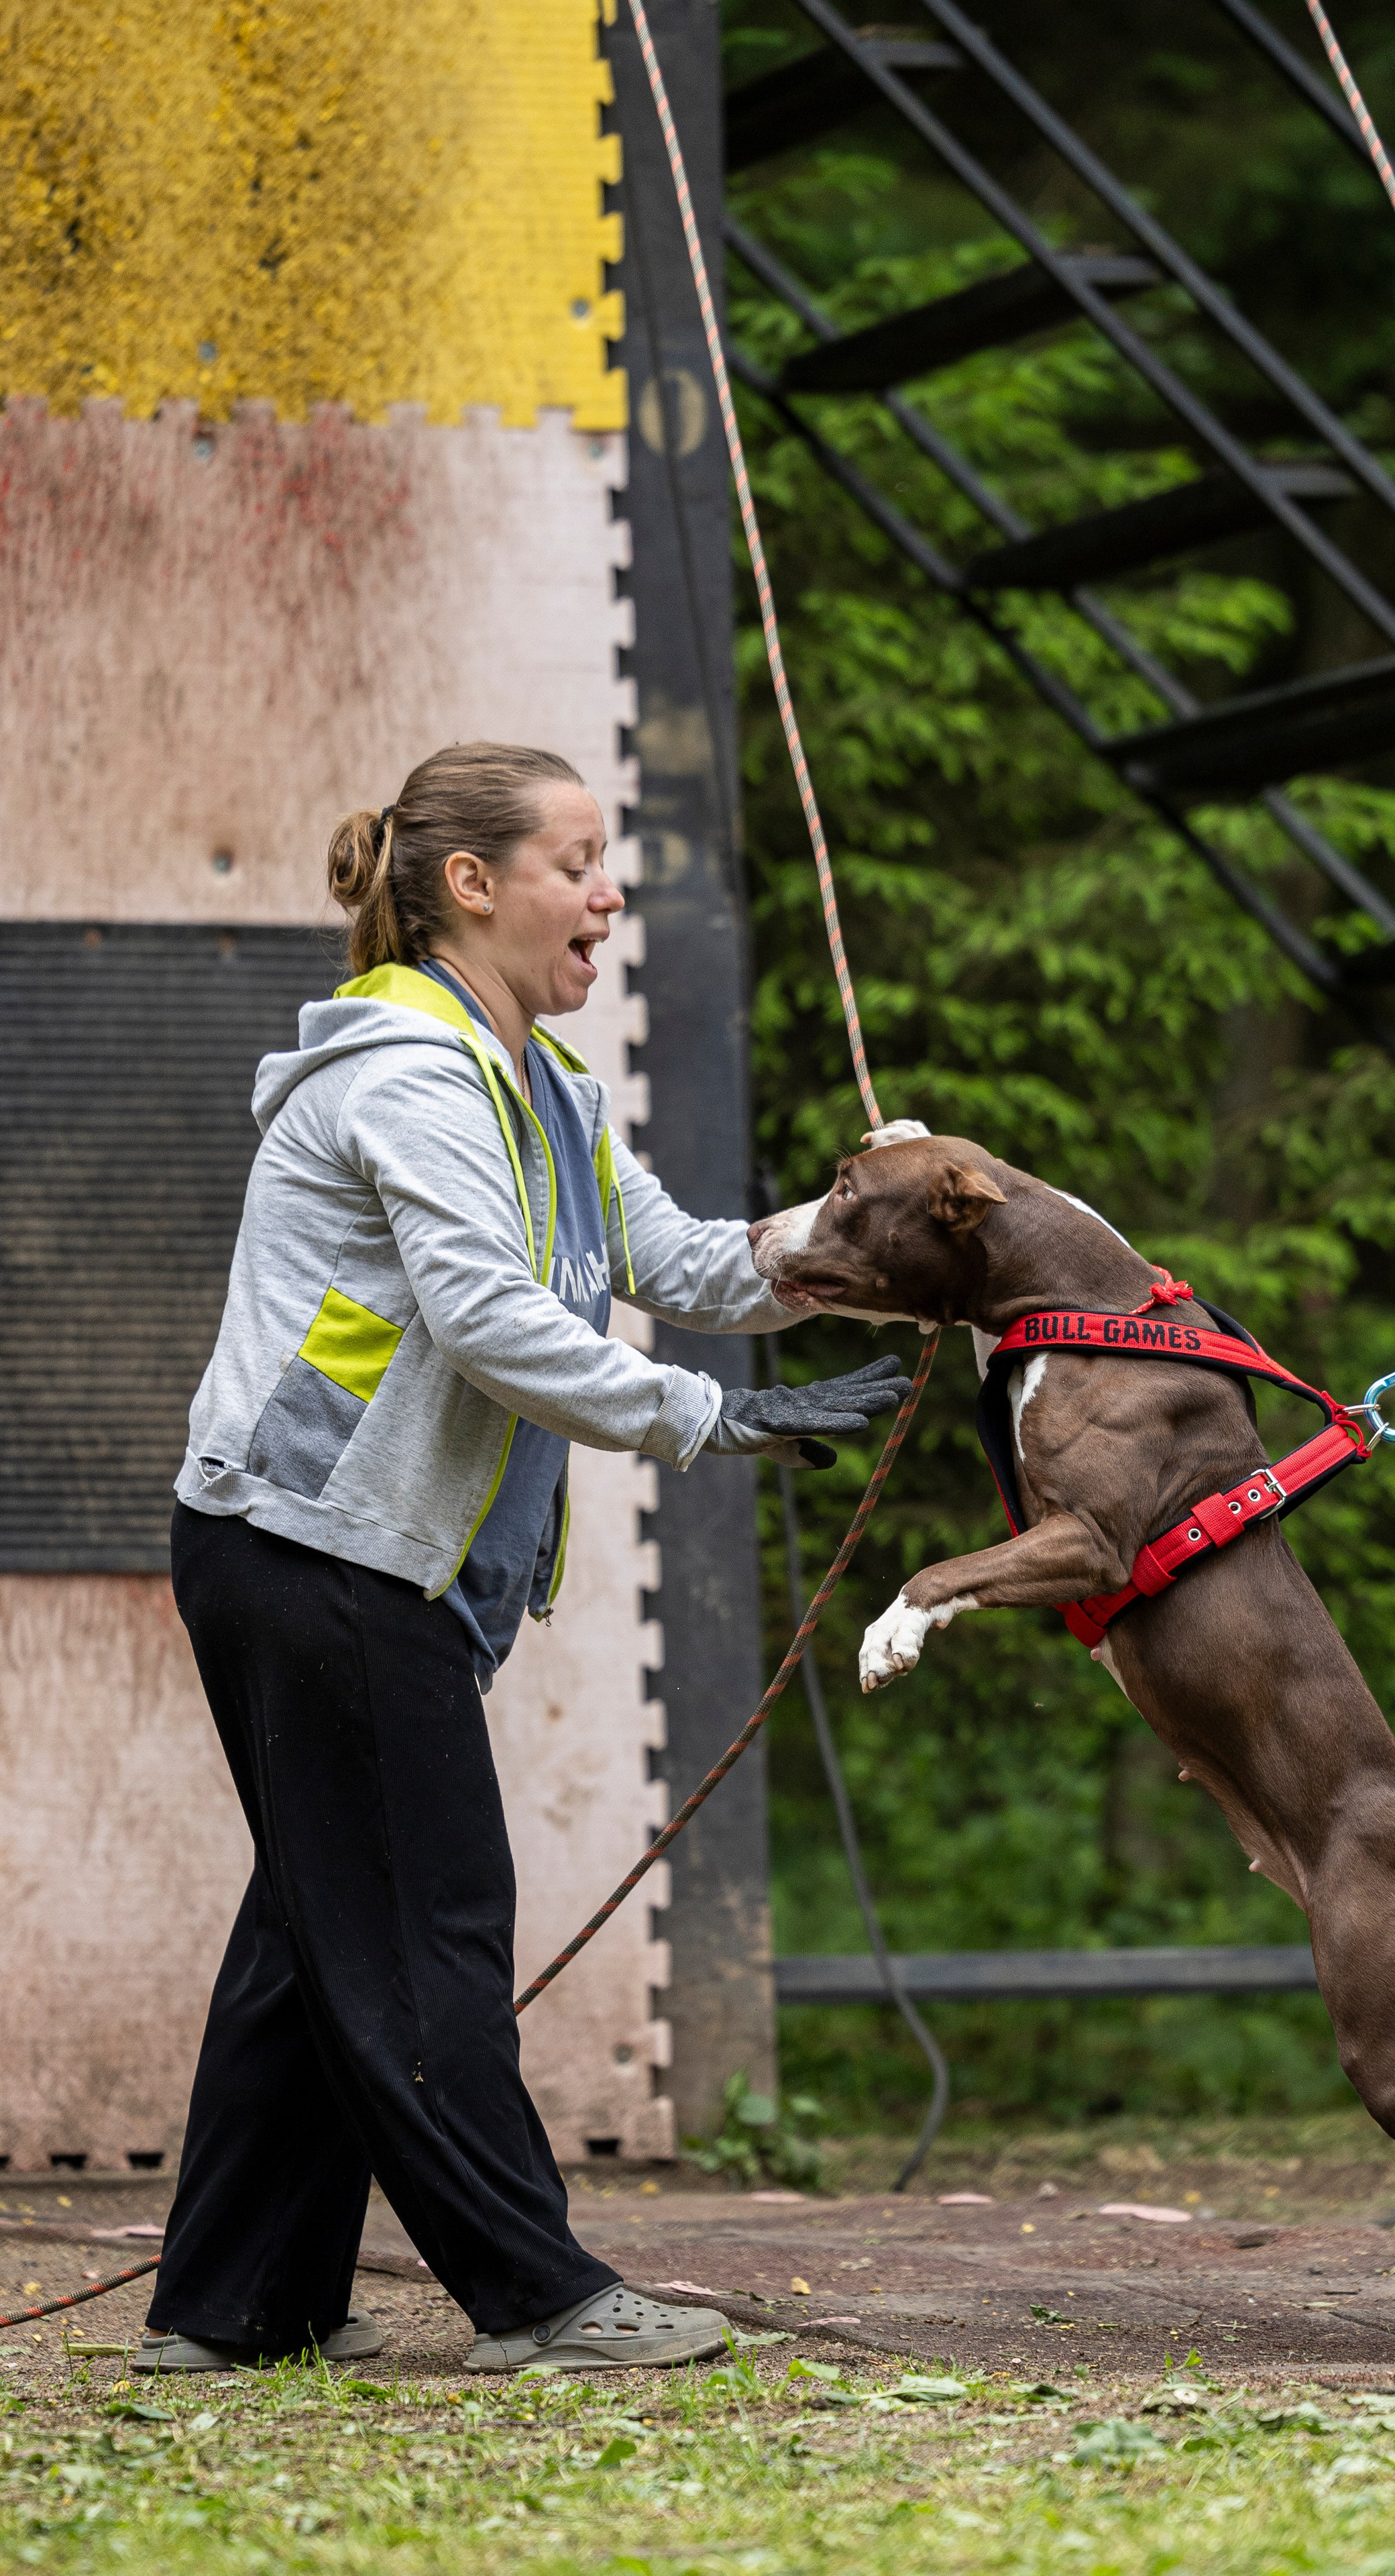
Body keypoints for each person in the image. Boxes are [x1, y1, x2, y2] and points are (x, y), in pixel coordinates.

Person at [135, 742, 909, 2377]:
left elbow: (685, 1258)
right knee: (429, 1924)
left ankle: (228, 2311)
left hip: (346, 1560)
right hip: (312, 1551)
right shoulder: (410, 1073)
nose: (610, 891)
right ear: (471, 886)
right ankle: (537, 2296)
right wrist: (715, 1421)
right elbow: (490, 1321)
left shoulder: (542, 1086)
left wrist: (865, 1220)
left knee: (314, 1929)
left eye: (607, 859)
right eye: (579, 861)